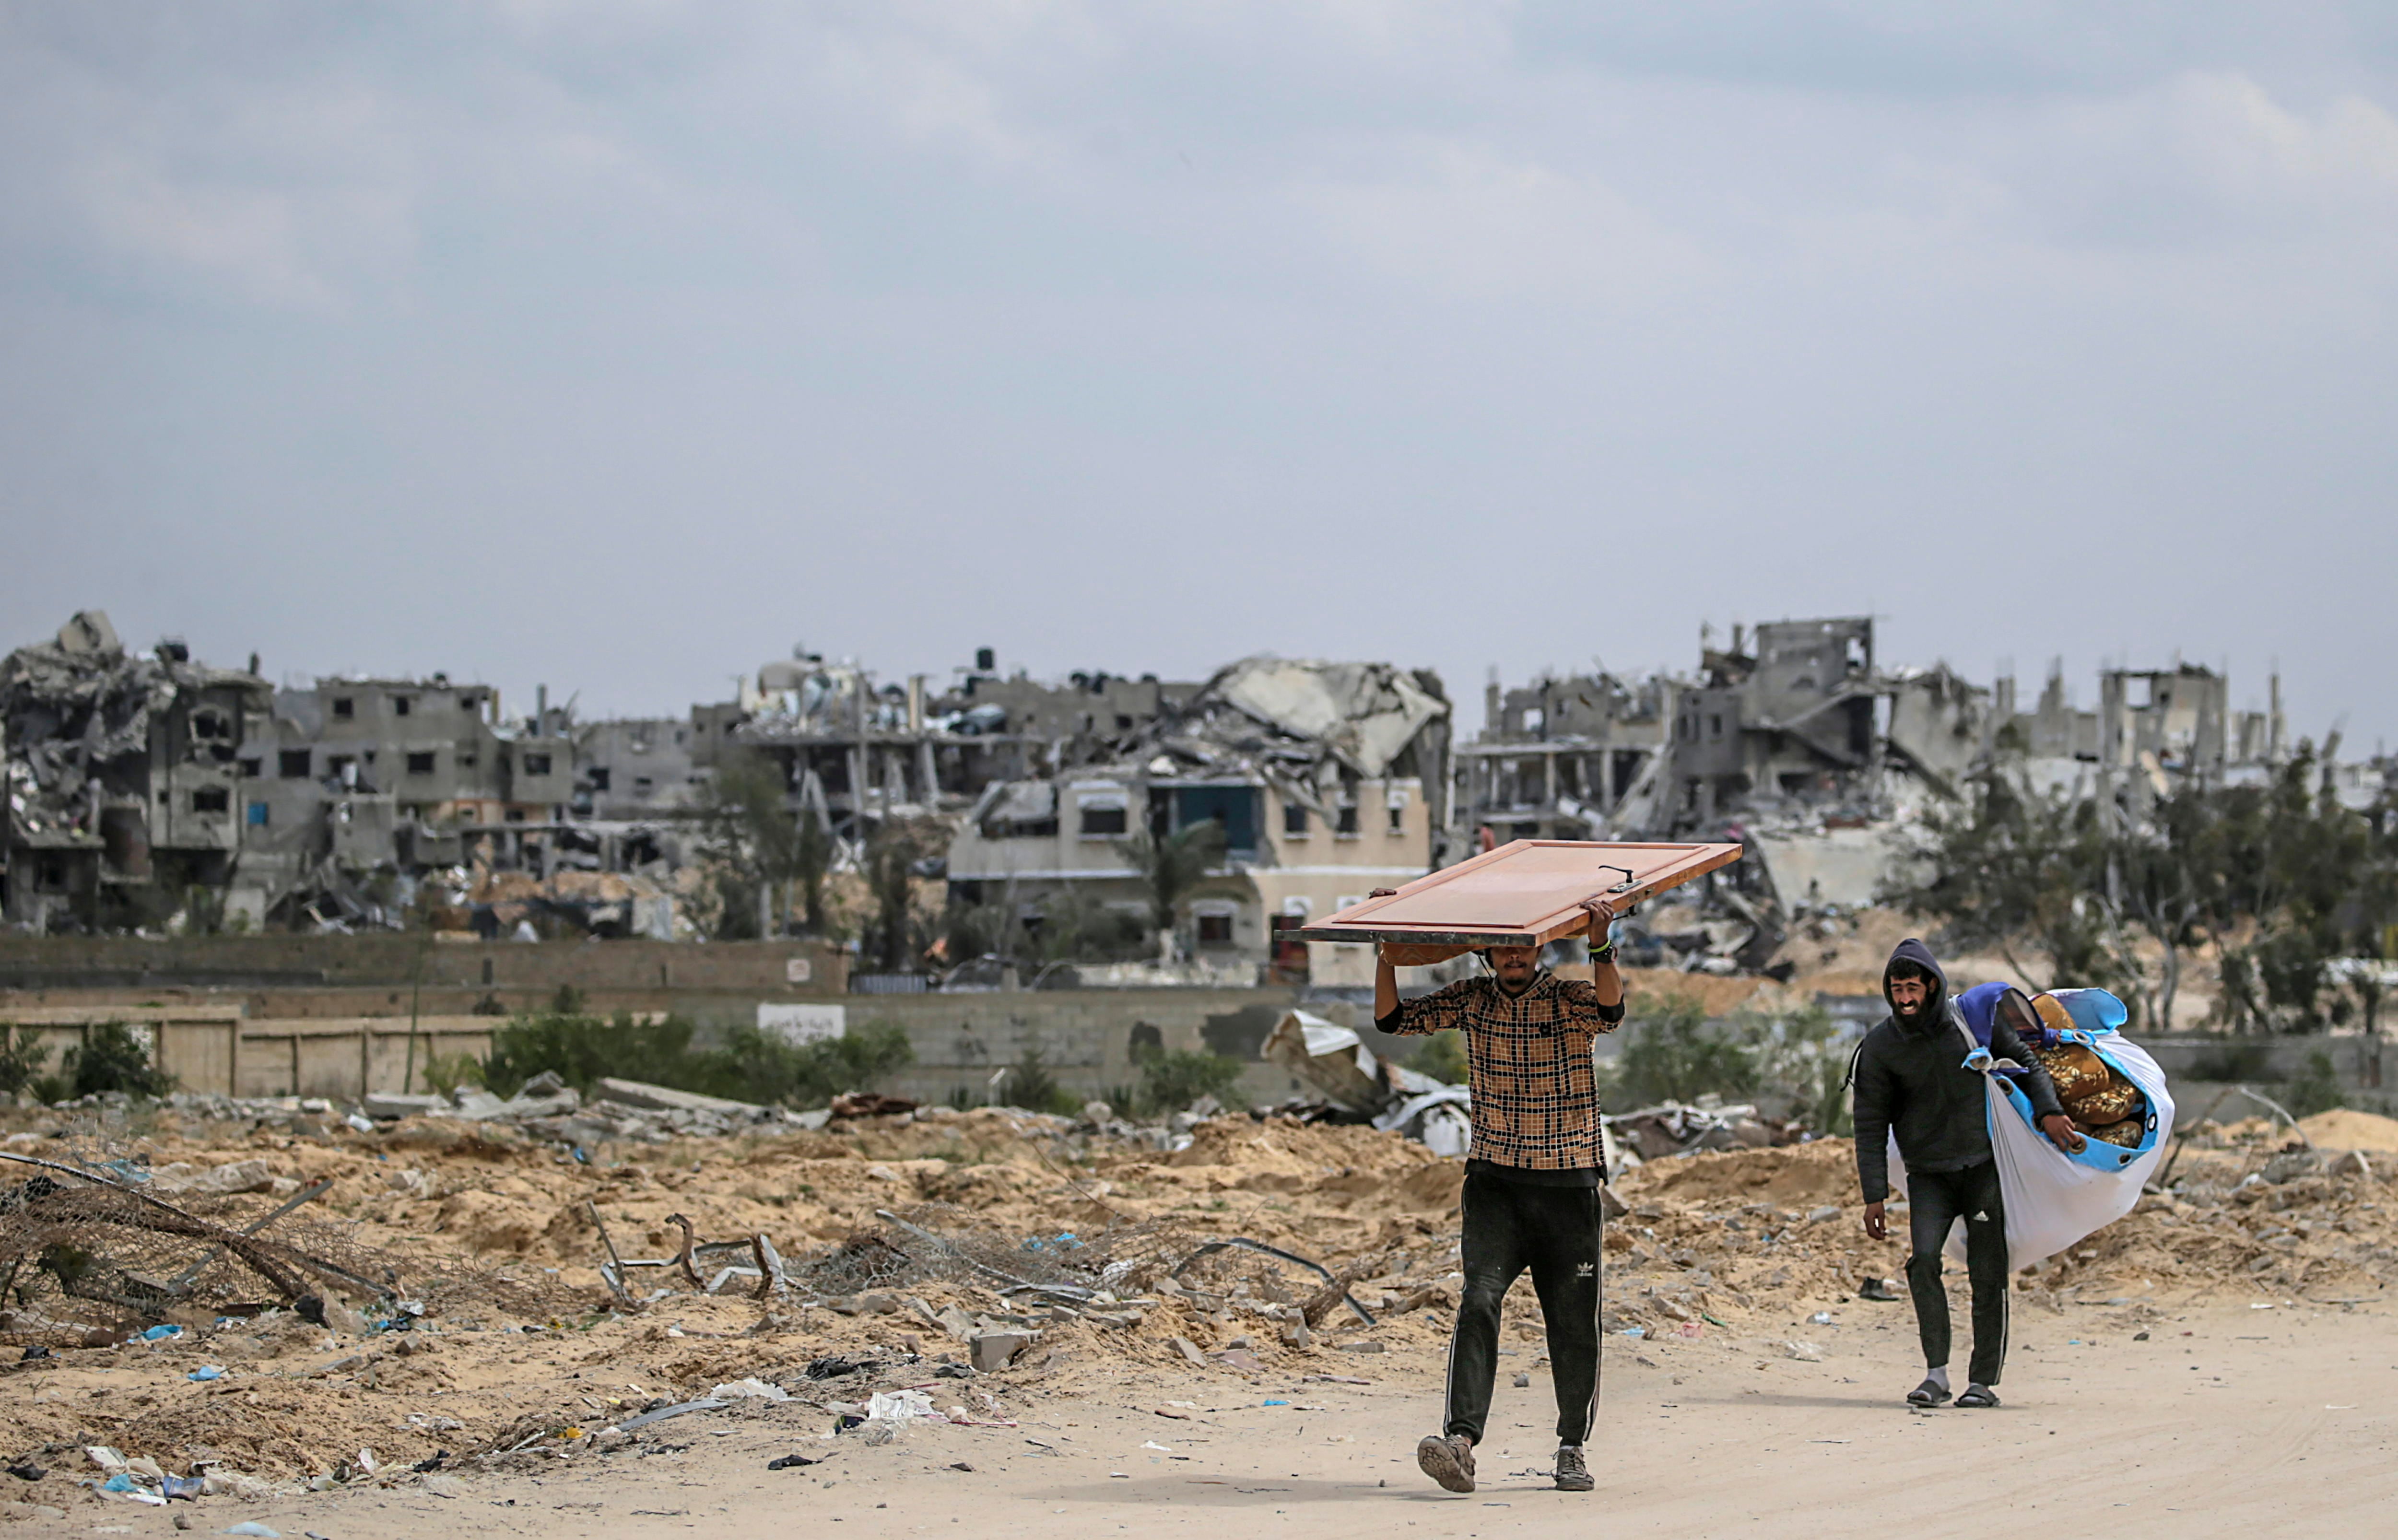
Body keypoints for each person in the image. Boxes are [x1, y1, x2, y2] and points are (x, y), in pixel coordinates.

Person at [1371, 891, 1624, 1495]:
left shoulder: (1567, 998)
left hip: (1568, 1185)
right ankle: (1459, 1440)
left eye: (1525, 942)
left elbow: (1611, 1011)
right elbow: (1391, 1020)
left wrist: (1601, 942)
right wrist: (1385, 950)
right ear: (1487, 952)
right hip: (1495, 1184)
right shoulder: (1471, 999)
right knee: (1478, 1299)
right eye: (1504, 944)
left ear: (1540, 947)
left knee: (1571, 1322)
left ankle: (1570, 1446)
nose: (1514, 954)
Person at [1851, 938, 2083, 1410]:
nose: (1904, 999)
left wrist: (2049, 1112)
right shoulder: (1880, 1046)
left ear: (1931, 985)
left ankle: (1982, 1381)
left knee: (1987, 1271)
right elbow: (1868, 1121)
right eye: (1895, 989)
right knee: (1921, 1262)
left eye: (1911, 988)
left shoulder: (1970, 1023)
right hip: (1927, 1176)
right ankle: (1935, 1374)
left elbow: (2027, 1062)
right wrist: (1873, 1194)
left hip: (1981, 1168)